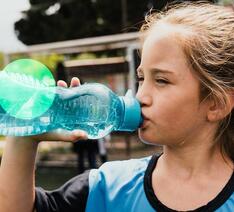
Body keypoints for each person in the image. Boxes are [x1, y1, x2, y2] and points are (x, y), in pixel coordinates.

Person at [0, 2, 234, 212]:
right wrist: (27, 136)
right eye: (141, 78)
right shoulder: (107, 186)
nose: (141, 95)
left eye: (161, 80)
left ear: (217, 104)